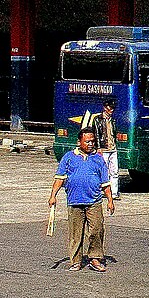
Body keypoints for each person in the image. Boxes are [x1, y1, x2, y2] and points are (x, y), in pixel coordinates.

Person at [49, 128, 114, 272]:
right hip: (74, 201)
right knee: (75, 233)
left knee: (97, 229)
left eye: (93, 141)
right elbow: (59, 178)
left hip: (94, 201)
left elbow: (105, 182)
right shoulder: (68, 157)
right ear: (79, 142)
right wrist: (53, 196)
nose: (91, 144)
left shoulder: (98, 159)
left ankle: (95, 258)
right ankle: (76, 261)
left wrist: (110, 200)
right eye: (87, 141)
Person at [88, 100, 120, 198]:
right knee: (102, 170)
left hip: (112, 148)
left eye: (113, 108)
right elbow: (97, 134)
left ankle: (114, 192)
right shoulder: (98, 119)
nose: (112, 110)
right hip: (103, 149)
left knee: (114, 171)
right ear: (105, 108)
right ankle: (99, 191)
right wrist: (98, 147)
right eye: (110, 108)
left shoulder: (113, 120)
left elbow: (114, 133)